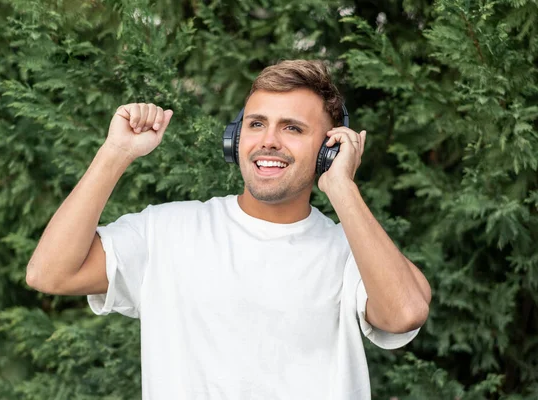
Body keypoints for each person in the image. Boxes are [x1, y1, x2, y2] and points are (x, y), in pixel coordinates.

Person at [26, 60, 431, 400]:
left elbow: (405, 313)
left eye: (292, 128)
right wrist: (115, 153)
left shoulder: (353, 252)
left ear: (328, 150)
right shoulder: (166, 230)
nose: (268, 141)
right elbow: (49, 273)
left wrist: (341, 186)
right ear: (234, 139)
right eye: (256, 124)